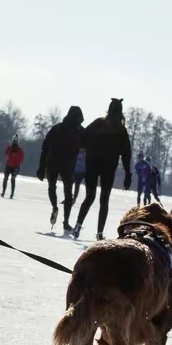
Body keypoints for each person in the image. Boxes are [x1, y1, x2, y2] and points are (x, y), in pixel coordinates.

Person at [71, 98, 132, 240]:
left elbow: (82, 138)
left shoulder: (98, 123)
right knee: (104, 200)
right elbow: (126, 154)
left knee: (89, 196)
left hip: (92, 164)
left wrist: (87, 148)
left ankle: (78, 226)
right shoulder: (121, 130)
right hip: (108, 168)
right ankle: (99, 233)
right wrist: (128, 174)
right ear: (120, 112)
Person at [36, 105, 84, 231]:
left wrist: (41, 167)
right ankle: (66, 222)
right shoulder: (80, 131)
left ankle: (54, 208)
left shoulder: (57, 128)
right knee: (68, 194)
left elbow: (44, 148)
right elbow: (89, 145)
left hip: (52, 162)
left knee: (52, 187)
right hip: (68, 165)